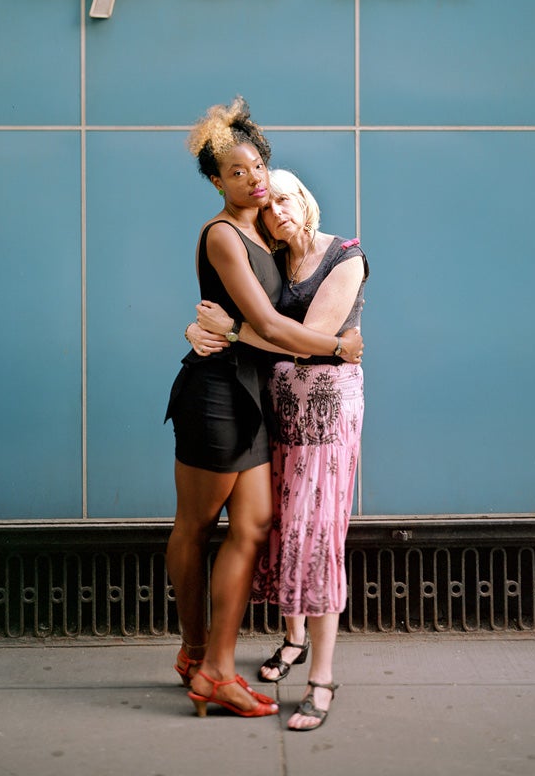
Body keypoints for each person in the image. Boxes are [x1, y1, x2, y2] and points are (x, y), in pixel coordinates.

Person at [165, 100, 363, 720]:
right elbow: (272, 326)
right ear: (216, 181)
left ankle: (217, 668)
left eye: (257, 167)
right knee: (195, 526)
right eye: (235, 171)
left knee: (252, 525)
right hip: (216, 394)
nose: (252, 179)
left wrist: (211, 326)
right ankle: (199, 656)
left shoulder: (267, 234)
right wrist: (339, 347)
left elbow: (266, 309)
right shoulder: (223, 234)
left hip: (253, 396)